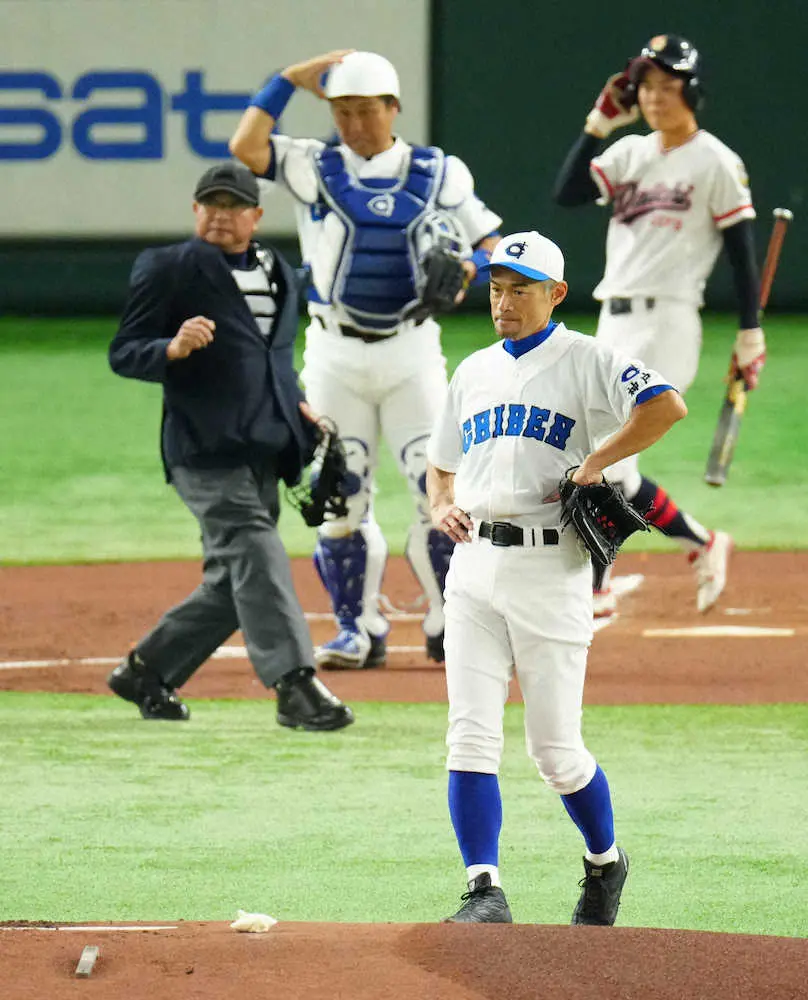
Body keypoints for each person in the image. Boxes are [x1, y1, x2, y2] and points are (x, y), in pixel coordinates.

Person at [426, 230, 687, 924]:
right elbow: (441, 459)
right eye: (495, 287)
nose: (503, 301)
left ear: (556, 294)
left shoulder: (587, 359)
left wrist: (599, 459)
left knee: (556, 752)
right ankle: (485, 890)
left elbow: (665, 404)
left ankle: (605, 861)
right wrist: (440, 504)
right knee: (470, 736)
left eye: (519, 288)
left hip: (553, 568)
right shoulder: (472, 369)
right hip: (474, 566)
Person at [229, 50, 502, 669]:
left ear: (393, 108)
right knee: (339, 493)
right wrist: (285, 81)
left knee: (436, 488)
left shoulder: (438, 173)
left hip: (412, 350)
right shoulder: (312, 165)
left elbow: (493, 244)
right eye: (342, 111)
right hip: (333, 351)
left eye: (365, 110)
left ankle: (448, 623)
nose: (353, 123)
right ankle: (358, 629)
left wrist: (470, 267)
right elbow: (246, 148)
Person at [106, 162, 353, 732]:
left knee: (233, 577)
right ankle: (294, 686)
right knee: (255, 546)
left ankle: (147, 670)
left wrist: (299, 410)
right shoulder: (168, 268)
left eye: (232, 205)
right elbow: (125, 350)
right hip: (202, 447)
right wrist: (169, 347)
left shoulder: (279, 274)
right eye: (209, 204)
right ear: (196, 211)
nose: (220, 214)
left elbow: (274, 361)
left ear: (255, 216)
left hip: (265, 444)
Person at [553, 33, 764, 618]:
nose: (654, 99)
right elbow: (566, 192)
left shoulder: (715, 160)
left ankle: (595, 588)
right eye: (645, 88)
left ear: (691, 92)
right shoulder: (630, 153)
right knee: (611, 459)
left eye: (667, 87)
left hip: (668, 320)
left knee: (609, 457)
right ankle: (702, 542)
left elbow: (743, 251)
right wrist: (598, 122)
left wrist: (751, 331)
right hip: (611, 317)